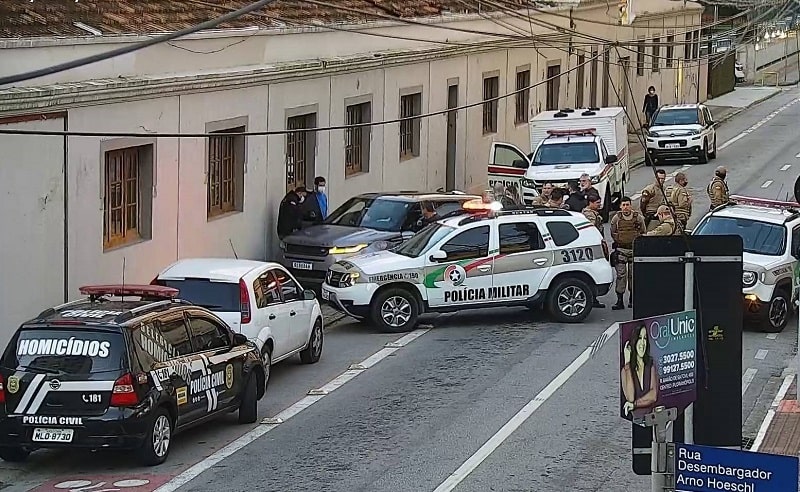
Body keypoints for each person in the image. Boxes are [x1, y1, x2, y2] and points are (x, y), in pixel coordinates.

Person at [610, 196, 646, 310]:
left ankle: (632, 299)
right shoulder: (616, 218)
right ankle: (619, 300)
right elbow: (613, 232)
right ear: (620, 206)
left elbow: (643, 231)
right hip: (621, 250)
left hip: (634, 250)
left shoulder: (638, 218)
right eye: (623, 205)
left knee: (633, 275)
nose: (626, 207)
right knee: (621, 275)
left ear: (631, 205)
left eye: (627, 204)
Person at [621, 325, 658, 419]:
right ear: (634, 342)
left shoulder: (651, 366)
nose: (642, 343)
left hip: (651, 418)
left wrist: (635, 404)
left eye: (645, 338)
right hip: (636, 419)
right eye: (639, 338)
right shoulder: (625, 370)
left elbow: (653, 395)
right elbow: (630, 397)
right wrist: (627, 363)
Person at [582, 194, 606, 308]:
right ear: (590, 203)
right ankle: (592, 299)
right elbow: (590, 229)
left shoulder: (592, 213)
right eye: (597, 203)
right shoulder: (589, 215)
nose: (599, 205)